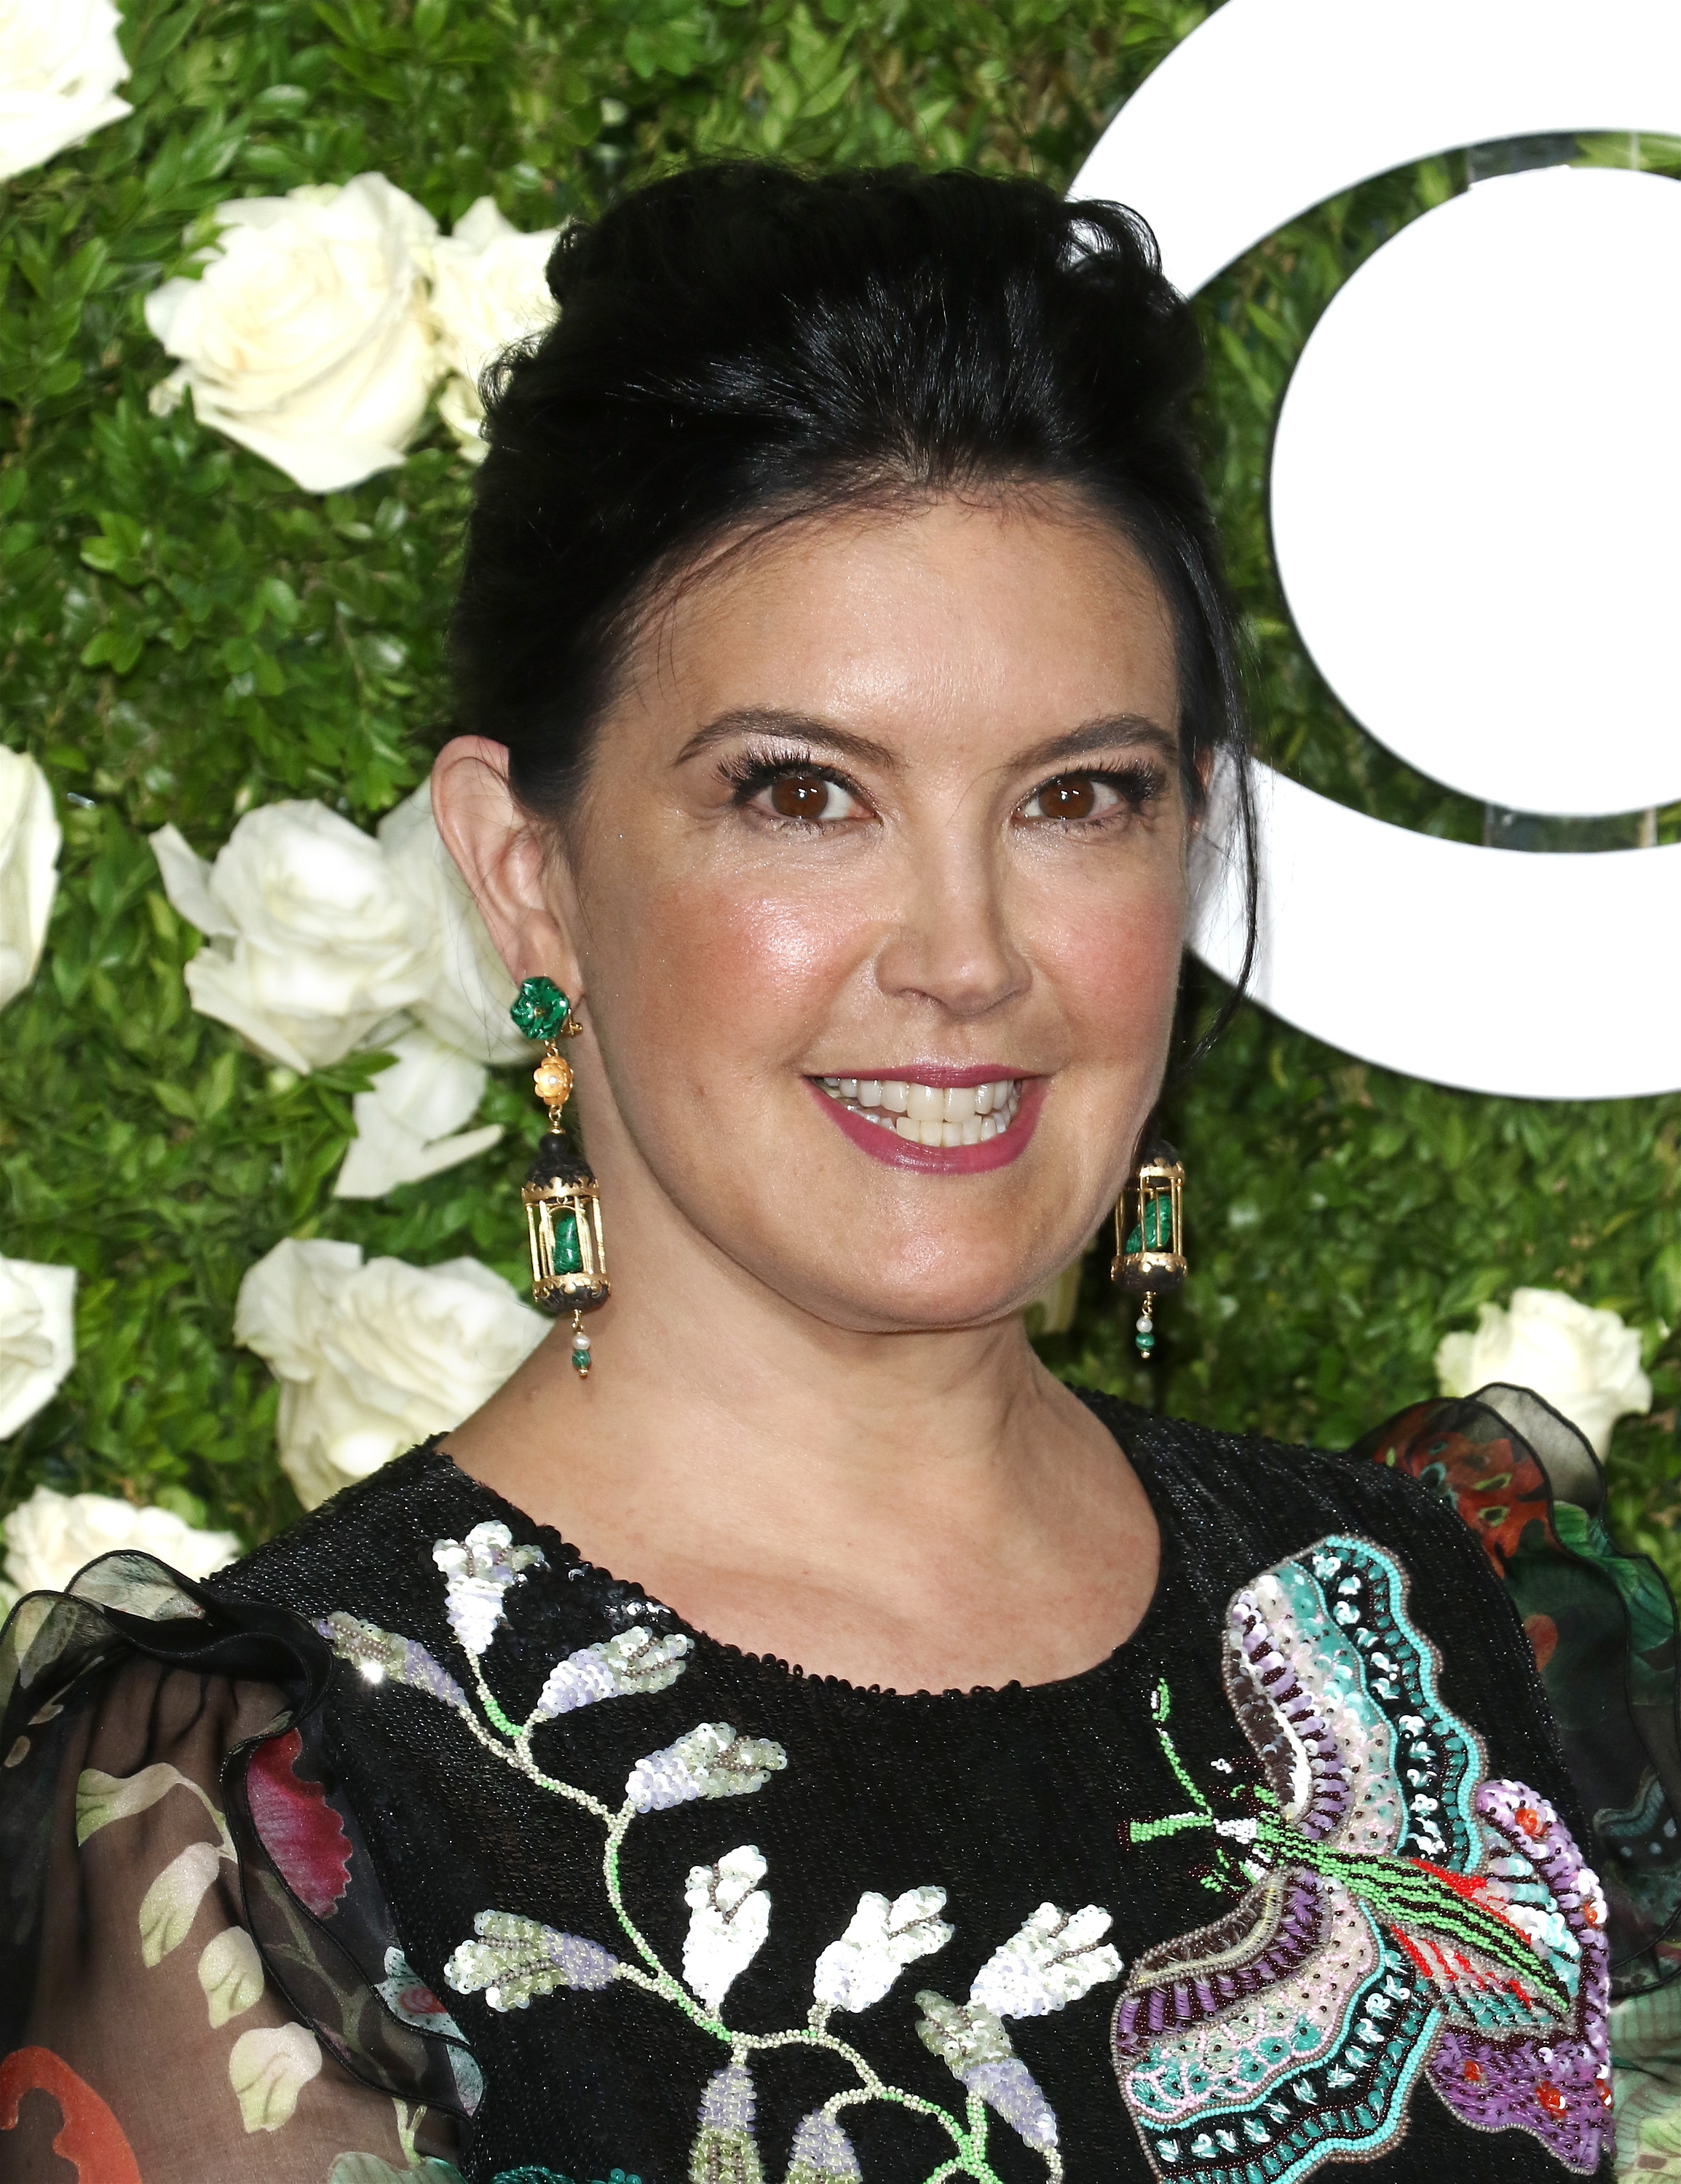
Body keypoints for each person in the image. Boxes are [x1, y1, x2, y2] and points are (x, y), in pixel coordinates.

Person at [0, 162, 1671, 2184]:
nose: (964, 954)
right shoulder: (283, 1839)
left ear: (1191, 845)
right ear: (530, 882)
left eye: (1079, 798)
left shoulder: (1441, 1622)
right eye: (802, 797)